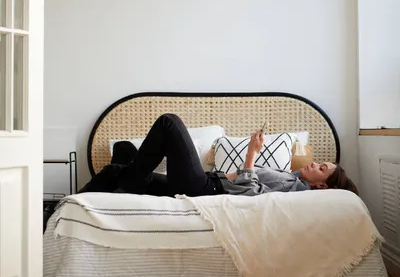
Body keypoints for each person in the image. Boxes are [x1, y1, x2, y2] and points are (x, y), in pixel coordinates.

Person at [79, 113, 358, 197]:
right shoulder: (291, 176)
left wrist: (251, 152)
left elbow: (250, 191)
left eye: (321, 168)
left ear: (321, 185)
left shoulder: (295, 188)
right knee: (123, 156)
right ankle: (68, 205)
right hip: (205, 182)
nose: (314, 163)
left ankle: (128, 181)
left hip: (206, 188)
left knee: (169, 123)